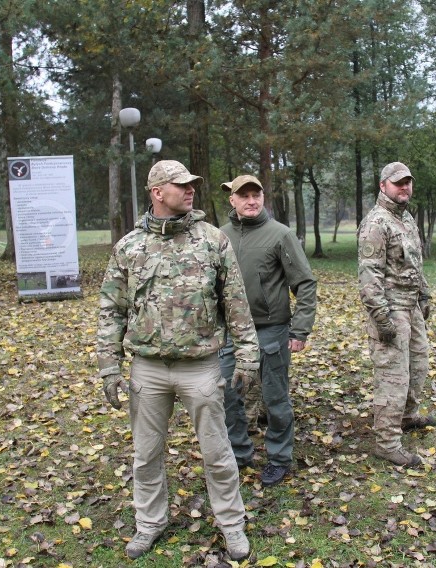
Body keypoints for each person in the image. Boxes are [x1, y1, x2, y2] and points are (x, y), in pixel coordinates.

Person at [97, 160, 259, 561]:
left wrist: (248, 357)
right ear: (157, 191)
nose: (190, 190)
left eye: (192, 184)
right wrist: (109, 365)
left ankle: (231, 525)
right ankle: (149, 523)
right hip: (148, 369)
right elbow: (111, 309)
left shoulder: (212, 240)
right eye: (181, 185)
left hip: (201, 367)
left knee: (218, 452)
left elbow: (236, 303)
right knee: (146, 453)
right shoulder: (129, 247)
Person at [218, 174, 318, 487]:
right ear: (232, 200)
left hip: (271, 331)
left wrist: (299, 330)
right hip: (231, 334)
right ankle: (239, 453)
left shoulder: (280, 235)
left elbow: (305, 283)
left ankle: (279, 458)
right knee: (226, 394)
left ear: (263, 197)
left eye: (256, 195)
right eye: (244, 196)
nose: (251, 201)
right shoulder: (217, 237)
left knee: (275, 399)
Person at [358, 162, 434, 468]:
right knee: (393, 376)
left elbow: (415, 263)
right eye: (397, 183)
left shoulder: (405, 218)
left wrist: (424, 294)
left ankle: (406, 416)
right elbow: (368, 278)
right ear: (383, 186)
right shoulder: (376, 223)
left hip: (411, 306)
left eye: (408, 182)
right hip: (390, 309)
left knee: (418, 363)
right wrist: (382, 319)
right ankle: (387, 443)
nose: (404, 187)